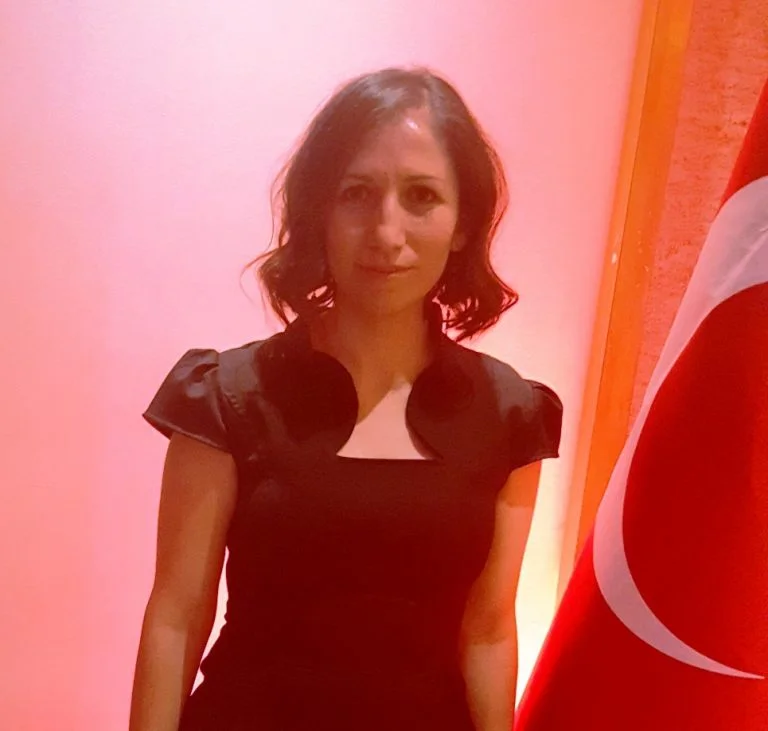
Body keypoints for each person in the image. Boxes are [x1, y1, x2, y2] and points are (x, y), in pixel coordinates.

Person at [129, 67, 563, 731]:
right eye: (357, 193)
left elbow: (487, 631)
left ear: (462, 224)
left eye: (421, 197)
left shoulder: (508, 413)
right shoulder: (224, 395)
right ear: (320, 214)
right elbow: (176, 615)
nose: (386, 231)